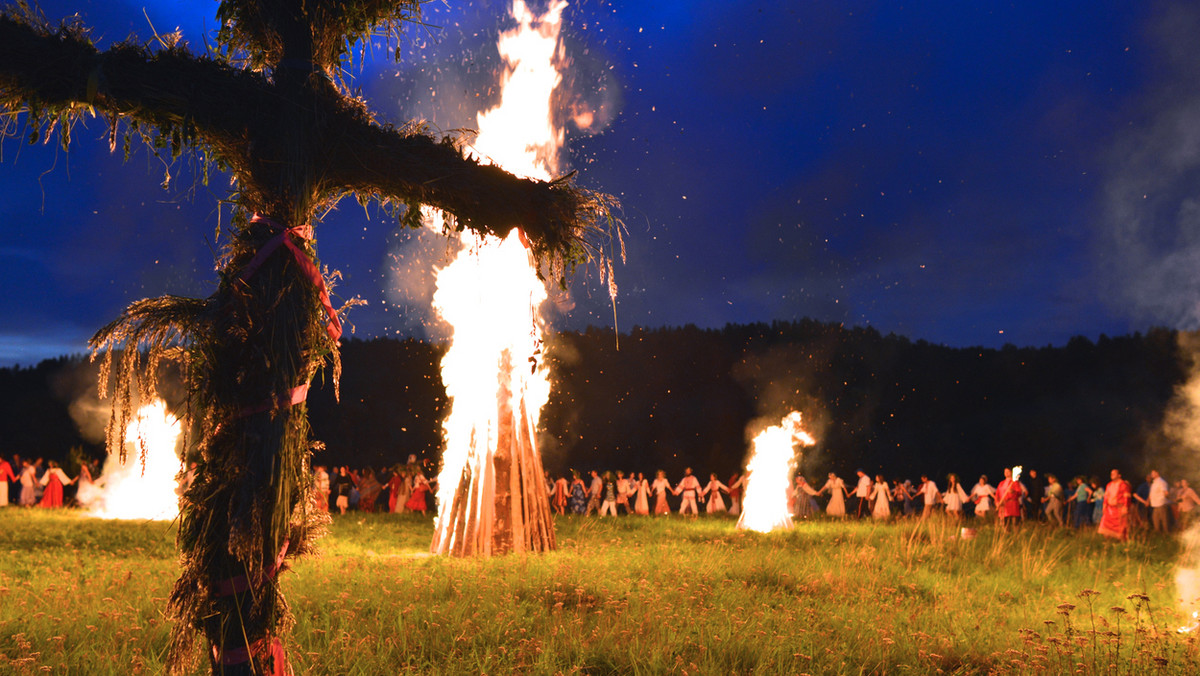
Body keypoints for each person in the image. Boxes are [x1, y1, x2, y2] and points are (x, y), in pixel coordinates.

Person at [1098, 469, 1131, 541]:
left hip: (1119, 508)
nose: (1112, 475)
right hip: (1110, 509)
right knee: (1106, 525)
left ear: (1119, 475)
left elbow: (1126, 497)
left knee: (1121, 526)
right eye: (1111, 473)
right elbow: (1106, 496)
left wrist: (1125, 507)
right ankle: (1108, 541)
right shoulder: (1109, 485)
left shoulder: (1123, 485)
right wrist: (1104, 505)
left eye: (1114, 473)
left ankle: (1122, 541)